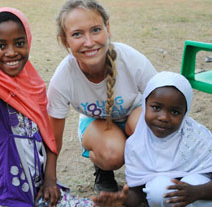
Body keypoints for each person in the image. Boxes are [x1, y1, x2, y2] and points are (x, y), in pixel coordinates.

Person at [0, 7, 93, 207]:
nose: (11, 52)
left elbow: (48, 135)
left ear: (28, 41)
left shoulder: (35, 86)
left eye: (19, 43)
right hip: (2, 197)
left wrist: (50, 180)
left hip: (38, 192)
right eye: (0, 45)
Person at [47, 0, 157, 193]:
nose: (89, 42)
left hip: (134, 113)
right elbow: (53, 136)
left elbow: (162, 100)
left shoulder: (131, 59)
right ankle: (103, 172)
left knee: (147, 123)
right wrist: (49, 180)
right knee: (113, 152)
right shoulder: (64, 76)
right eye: (77, 34)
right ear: (65, 40)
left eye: (96, 30)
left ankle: (145, 176)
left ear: (107, 28)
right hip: (96, 123)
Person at [92, 71, 212, 207]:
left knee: (195, 181)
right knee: (158, 189)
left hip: (200, 192)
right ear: (144, 105)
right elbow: (138, 193)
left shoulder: (199, 139)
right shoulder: (137, 144)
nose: (163, 117)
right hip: (163, 197)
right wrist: (122, 200)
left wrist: (198, 192)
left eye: (175, 112)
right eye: (156, 107)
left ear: (185, 113)